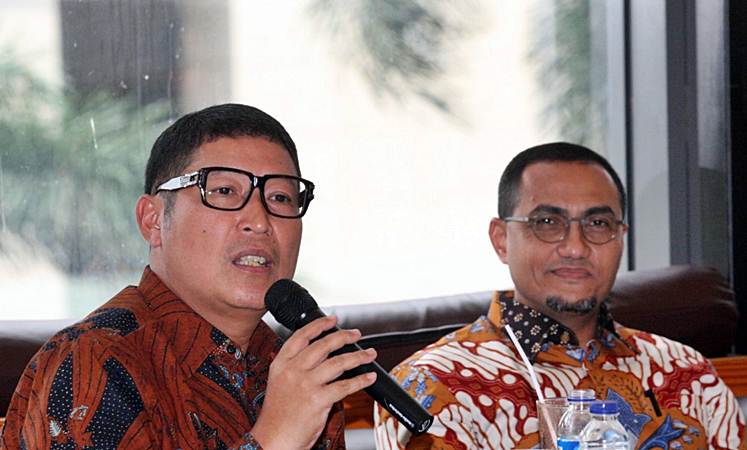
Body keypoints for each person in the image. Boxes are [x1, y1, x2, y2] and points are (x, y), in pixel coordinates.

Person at [0, 103, 377, 449]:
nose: (259, 221)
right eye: (225, 191)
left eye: (280, 198)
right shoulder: (95, 362)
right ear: (153, 220)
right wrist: (274, 440)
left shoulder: (289, 368)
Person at [374, 142, 746, 449]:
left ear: (621, 238)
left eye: (597, 223)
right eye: (548, 223)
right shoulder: (434, 384)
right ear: (501, 240)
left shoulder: (686, 372)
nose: (575, 247)